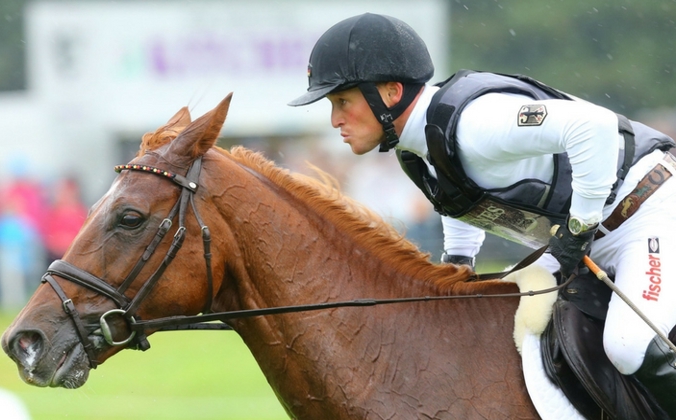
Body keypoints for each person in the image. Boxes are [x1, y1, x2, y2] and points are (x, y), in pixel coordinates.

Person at [288, 13, 676, 417]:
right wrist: (459, 263)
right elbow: (459, 196)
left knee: (629, 346)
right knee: (497, 317)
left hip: (650, 207)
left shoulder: (475, 123)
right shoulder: (416, 147)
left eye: (342, 102)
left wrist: (578, 228)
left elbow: (593, 127)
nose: (335, 120)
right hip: (598, 235)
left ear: (389, 93)